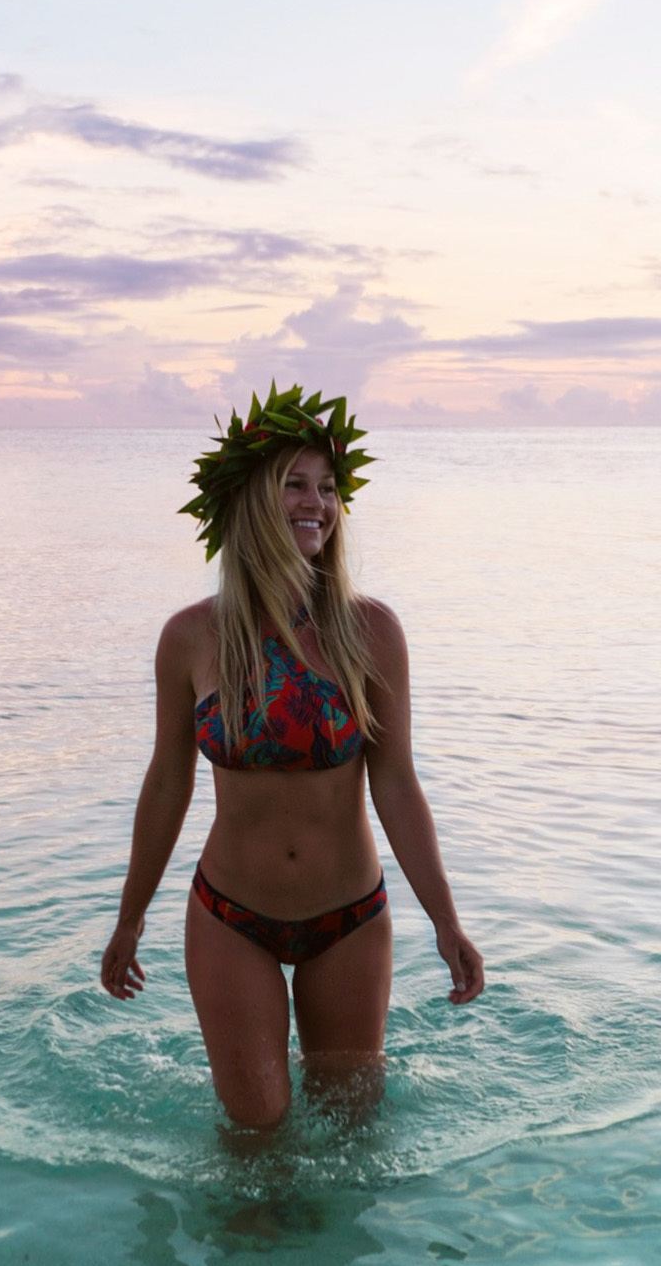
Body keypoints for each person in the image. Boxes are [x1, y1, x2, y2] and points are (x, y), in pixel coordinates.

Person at [100, 382, 484, 1131]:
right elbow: (168, 783)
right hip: (229, 917)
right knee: (256, 1142)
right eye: (294, 484)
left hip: (350, 918)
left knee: (352, 1136)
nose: (317, 502)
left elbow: (397, 783)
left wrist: (446, 919)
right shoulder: (192, 638)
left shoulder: (371, 632)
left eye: (328, 487)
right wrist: (129, 918)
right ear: (250, 503)